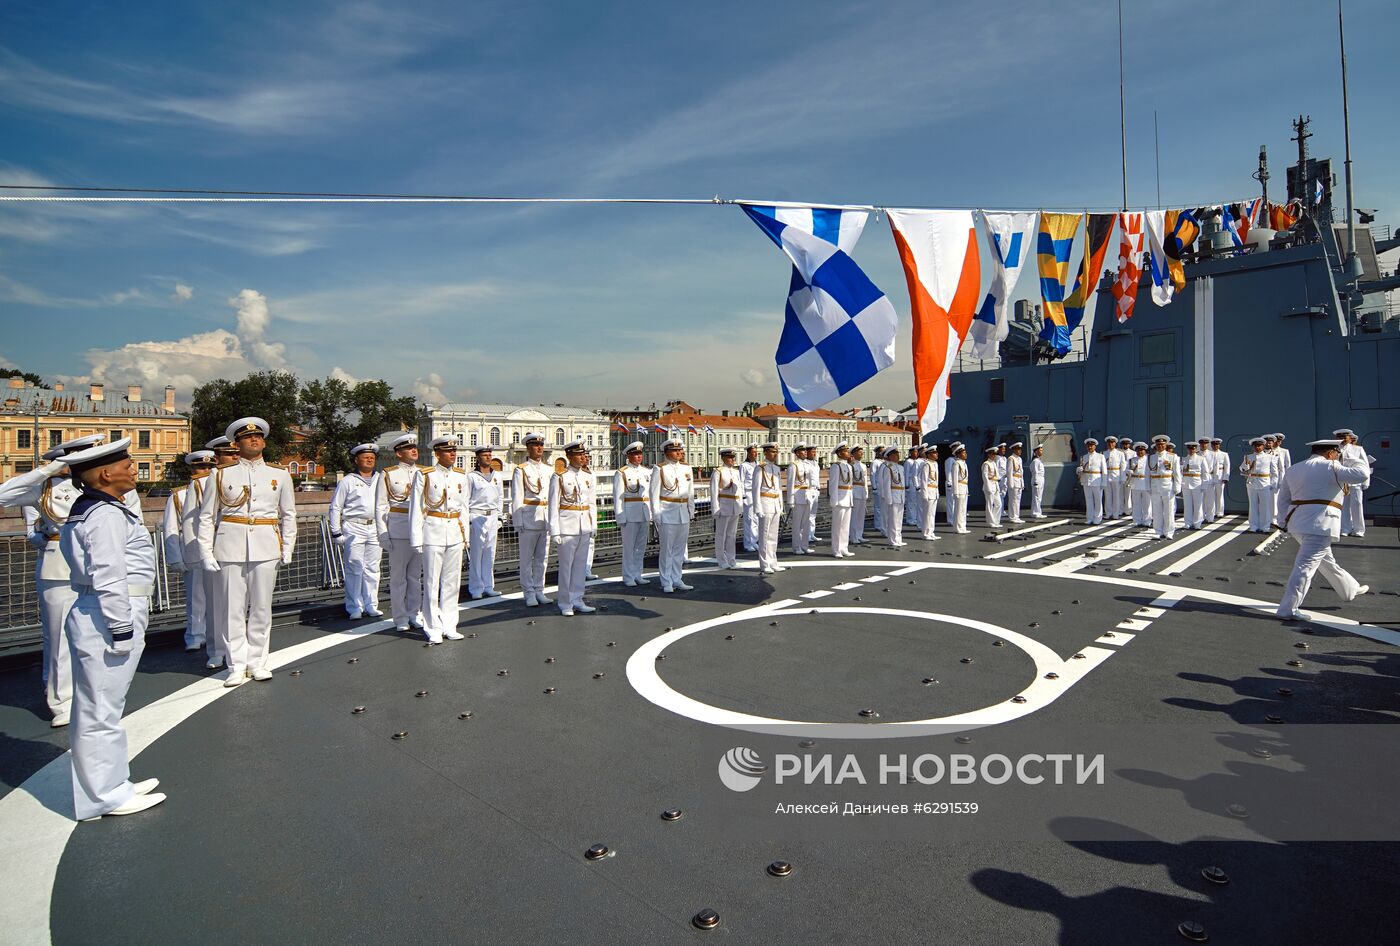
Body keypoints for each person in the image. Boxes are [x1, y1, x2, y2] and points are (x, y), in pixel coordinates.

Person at [59, 437, 166, 819]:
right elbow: (108, 575)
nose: (133, 470)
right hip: (107, 615)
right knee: (99, 710)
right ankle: (104, 795)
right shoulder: (103, 515)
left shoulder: (101, 508)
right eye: (128, 465)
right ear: (106, 473)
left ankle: (114, 781)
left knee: (107, 706)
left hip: (106, 611)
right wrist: (121, 628)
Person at [19, 434, 122, 728]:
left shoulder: (105, 486)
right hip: (57, 567)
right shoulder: (43, 490)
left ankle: (92, 691)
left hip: (95, 567)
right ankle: (61, 700)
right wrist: (46, 472)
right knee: (58, 637)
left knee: (95, 632)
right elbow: (29, 529)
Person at [196, 417, 296, 686]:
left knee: (262, 608)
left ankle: (258, 662)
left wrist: (288, 547)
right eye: (247, 437)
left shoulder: (280, 474)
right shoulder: (221, 475)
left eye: (259, 437)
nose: (254, 440)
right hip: (230, 546)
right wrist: (206, 552)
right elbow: (207, 517)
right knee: (232, 610)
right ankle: (236, 664)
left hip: (266, 546)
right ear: (237, 444)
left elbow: (289, 515)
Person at [1273, 438, 1370, 619]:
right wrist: (1350, 458)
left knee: (1327, 561)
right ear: (1331, 452)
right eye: (1337, 453)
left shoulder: (1293, 469)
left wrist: (1282, 522)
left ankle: (1350, 589)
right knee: (1305, 567)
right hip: (1321, 524)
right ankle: (1288, 609)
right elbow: (1362, 474)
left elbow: (1283, 499)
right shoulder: (1331, 466)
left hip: (1298, 523)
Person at [408, 436, 468, 644]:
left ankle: (450, 624)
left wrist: (465, 536)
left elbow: (464, 508)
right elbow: (416, 509)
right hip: (432, 531)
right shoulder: (425, 475)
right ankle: (433, 626)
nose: (452, 454)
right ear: (437, 454)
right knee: (432, 582)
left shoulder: (461, 476)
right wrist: (416, 539)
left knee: (452, 582)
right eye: (447, 451)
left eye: (454, 451)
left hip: (454, 531)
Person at [376, 434, 426, 632]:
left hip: (420, 530)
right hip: (398, 529)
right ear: (399, 453)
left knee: (415, 577)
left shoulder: (424, 472)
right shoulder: (388, 474)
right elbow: (380, 507)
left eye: (415, 448)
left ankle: (415, 613)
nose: (414, 451)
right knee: (398, 578)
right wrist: (383, 534)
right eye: (409, 448)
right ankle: (400, 617)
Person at [197, 437, 239, 669]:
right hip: (215, 546)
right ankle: (216, 650)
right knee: (216, 603)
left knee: (239, 603)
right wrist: (204, 552)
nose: (235, 457)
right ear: (217, 458)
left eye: (236, 453)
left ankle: (238, 650)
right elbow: (198, 519)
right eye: (229, 454)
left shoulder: (246, 476)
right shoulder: (204, 481)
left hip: (238, 546)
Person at [329, 443, 384, 619]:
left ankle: (371, 604)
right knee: (354, 568)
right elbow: (336, 507)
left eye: (372, 457)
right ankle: (354, 606)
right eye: (365, 457)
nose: (369, 459)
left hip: (375, 526)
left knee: (373, 568)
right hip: (354, 527)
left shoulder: (381, 479)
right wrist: (336, 531)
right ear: (356, 460)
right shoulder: (348, 481)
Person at [174, 450, 217, 662]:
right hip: (192, 549)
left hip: (216, 549)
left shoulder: (219, 485)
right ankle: (194, 635)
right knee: (196, 597)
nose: (206, 472)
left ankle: (215, 633)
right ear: (192, 469)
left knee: (219, 595)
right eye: (201, 468)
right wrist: (175, 558)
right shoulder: (180, 494)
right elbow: (172, 529)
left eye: (209, 467)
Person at [548, 440, 597, 615]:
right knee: (566, 567)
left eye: (584, 454)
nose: (583, 457)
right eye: (579, 454)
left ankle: (578, 598)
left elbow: (592, 503)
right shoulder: (559, 476)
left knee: (580, 566)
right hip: (567, 527)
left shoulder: (588, 477)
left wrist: (593, 525)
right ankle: (565, 602)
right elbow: (553, 505)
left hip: (584, 526)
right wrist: (554, 530)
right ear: (569, 456)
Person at [511, 432, 554, 607]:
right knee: (526, 559)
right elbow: (517, 496)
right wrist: (518, 521)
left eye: (541, 445)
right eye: (535, 445)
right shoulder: (521, 470)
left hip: (545, 518)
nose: (539, 448)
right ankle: (528, 592)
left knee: (542, 558)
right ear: (528, 448)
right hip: (529, 517)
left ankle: (539, 589)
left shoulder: (549, 470)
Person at [649, 438, 695, 592]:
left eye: (679, 450)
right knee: (667, 550)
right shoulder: (660, 469)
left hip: (683, 512)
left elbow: (690, 492)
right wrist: (656, 514)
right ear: (667, 452)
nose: (679, 453)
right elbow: (654, 494)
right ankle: (666, 581)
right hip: (667, 512)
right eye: (675, 451)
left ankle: (677, 578)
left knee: (679, 550)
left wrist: (691, 511)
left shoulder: (686, 468)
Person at [465, 445, 504, 599]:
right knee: (476, 554)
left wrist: (500, 516)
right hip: (477, 515)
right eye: (485, 455)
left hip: (493, 516)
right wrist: (468, 518)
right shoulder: (471, 477)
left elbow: (500, 497)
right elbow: (466, 498)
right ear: (478, 458)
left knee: (490, 553)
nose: (488, 457)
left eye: (490, 455)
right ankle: (476, 588)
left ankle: (488, 586)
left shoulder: (497, 476)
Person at [613, 441, 652, 586]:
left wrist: (652, 512)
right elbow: (618, 496)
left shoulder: (647, 472)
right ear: (629, 455)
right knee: (629, 547)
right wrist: (620, 516)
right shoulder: (622, 473)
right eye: (635, 454)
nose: (638, 456)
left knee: (641, 546)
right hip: (629, 513)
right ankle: (628, 576)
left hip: (644, 512)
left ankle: (638, 574)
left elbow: (651, 494)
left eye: (640, 454)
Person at [750, 442, 786, 574]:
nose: (775, 454)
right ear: (765, 453)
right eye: (772, 452)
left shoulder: (776, 469)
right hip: (765, 503)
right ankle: (764, 563)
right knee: (764, 536)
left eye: (776, 452)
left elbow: (779, 489)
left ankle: (773, 561)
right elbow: (756, 489)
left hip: (775, 504)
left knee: (773, 536)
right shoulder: (760, 468)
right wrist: (757, 508)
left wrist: (781, 505)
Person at [1334, 428, 1371, 537]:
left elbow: (1365, 466)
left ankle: (1359, 529)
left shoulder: (1358, 449)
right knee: (1343, 506)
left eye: (1345, 437)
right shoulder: (1334, 449)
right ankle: (1345, 528)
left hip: (1355, 482)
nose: (1342, 439)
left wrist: (1366, 481)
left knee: (1357, 505)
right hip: (1341, 482)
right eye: (1340, 437)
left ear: (1350, 438)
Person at [711, 447, 744, 567]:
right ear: (723, 458)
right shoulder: (718, 472)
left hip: (735, 506)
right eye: (730, 457)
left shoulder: (736, 472)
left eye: (733, 457)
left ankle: (731, 559)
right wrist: (715, 508)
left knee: (732, 535)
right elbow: (714, 491)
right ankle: (721, 560)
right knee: (721, 535)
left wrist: (740, 507)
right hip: (723, 506)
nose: (732, 459)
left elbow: (740, 490)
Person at [1240, 436, 1275, 532]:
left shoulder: (1270, 457)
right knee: (1253, 505)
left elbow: (1274, 473)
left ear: (1263, 446)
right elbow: (1242, 469)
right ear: (1253, 447)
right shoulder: (1248, 457)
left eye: (1259, 445)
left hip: (1265, 482)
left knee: (1265, 505)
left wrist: (1273, 484)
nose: (1257, 447)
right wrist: (1245, 467)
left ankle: (1265, 526)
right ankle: (1253, 526)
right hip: (1252, 482)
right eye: (1255, 446)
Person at [1147, 435, 1178, 539]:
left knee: (1169, 510)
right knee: (1156, 510)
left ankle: (1169, 531)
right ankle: (1158, 531)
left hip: (1167, 486)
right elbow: (1147, 474)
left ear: (1166, 445)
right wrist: (1148, 486)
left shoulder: (1172, 456)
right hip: (1155, 486)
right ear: (1155, 445)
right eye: (1158, 444)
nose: (1160, 446)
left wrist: (1177, 486)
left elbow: (1177, 473)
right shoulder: (1151, 457)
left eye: (1162, 444)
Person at [786, 444, 815, 554]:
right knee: (797, 524)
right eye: (802, 451)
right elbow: (790, 483)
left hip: (807, 496)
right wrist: (790, 500)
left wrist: (811, 494)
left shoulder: (807, 465)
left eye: (805, 450)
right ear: (797, 453)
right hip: (798, 497)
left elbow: (810, 482)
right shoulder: (793, 465)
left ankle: (805, 545)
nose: (805, 452)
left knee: (806, 523)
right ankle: (796, 547)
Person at [827, 443, 855, 557]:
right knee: (838, 526)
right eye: (845, 451)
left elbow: (850, 484)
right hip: (839, 498)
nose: (848, 452)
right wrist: (834, 500)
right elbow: (833, 485)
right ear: (839, 453)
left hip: (847, 498)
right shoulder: (836, 466)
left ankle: (844, 547)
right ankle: (836, 549)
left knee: (845, 526)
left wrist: (851, 499)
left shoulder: (848, 466)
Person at [878, 446, 906, 545]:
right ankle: (893, 539)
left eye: (898, 454)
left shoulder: (901, 468)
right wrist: (888, 499)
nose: (897, 456)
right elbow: (886, 485)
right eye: (895, 455)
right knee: (893, 519)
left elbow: (902, 484)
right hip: (893, 495)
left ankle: (898, 538)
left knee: (899, 519)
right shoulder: (887, 468)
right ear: (889, 456)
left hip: (900, 496)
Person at [1077, 438, 1106, 525]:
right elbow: (1081, 469)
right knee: (1088, 499)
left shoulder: (1100, 456)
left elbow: (1104, 471)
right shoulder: (1084, 457)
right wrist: (1078, 470)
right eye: (1088, 446)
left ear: (1095, 446)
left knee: (1098, 500)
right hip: (1086, 480)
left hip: (1097, 480)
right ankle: (1089, 518)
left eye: (1092, 445)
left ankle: (1097, 518)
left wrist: (1104, 482)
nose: (1090, 447)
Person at [1180, 441, 1206, 529]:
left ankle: (1197, 523)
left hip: (1197, 483)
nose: (1191, 450)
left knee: (1198, 504)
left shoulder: (1201, 459)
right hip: (1186, 483)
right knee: (1187, 504)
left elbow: (1205, 473)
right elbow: (1180, 472)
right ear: (1187, 449)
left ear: (1196, 449)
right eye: (1189, 448)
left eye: (1193, 448)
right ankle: (1188, 522)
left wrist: (1204, 485)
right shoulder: (1184, 459)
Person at [917, 444, 940, 539]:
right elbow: (924, 480)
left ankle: (931, 532)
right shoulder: (926, 465)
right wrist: (924, 494)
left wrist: (937, 492)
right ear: (929, 454)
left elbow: (936, 480)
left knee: (932, 514)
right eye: (934, 453)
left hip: (934, 491)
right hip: (929, 491)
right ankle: (926, 533)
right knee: (927, 514)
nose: (937, 454)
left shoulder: (935, 464)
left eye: (936, 452)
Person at [739, 444, 760, 552]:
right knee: (749, 520)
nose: (756, 454)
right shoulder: (744, 466)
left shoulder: (758, 464)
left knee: (756, 519)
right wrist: (742, 497)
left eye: (756, 452)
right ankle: (748, 543)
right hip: (748, 494)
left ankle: (754, 541)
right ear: (748, 453)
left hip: (756, 494)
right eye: (753, 452)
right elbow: (741, 481)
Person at [1127, 442, 1152, 527]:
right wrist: (1127, 472)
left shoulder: (1149, 459)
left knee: (1147, 503)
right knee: (1136, 503)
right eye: (1138, 450)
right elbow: (1126, 470)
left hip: (1146, 482)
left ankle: (1147, 520)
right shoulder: (1132, 460)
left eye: (1142, 450)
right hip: (1135, 483)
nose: (1140, 452)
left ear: (1145, 451)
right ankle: (1136, 520)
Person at [849, 445, 869, 545]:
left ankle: (859, 535)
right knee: (854, 515)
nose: (862, 453)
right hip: (855, 490)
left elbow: (865, 480)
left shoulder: (864, 466)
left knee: (861, 515)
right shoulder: (851, 465)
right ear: (854, 453)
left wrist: (866, 492)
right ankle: (853, 536)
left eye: (862, 452)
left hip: (862, 491)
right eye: (859, 452)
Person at [1102, 436, 1125, 520]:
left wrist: (1122, 478)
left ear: (1115, 443)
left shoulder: (1120, 453)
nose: (1110, 444)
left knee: (1116, 496)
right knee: (1107, 495)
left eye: (1112, 443)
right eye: (1109, 443)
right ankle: (1108, 513)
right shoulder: (1103, 454)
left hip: (1116, 476)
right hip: (1106, 475)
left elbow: (1123, 466)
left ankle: (1116, 513)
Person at [949, 445, 970, 532]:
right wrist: (956, 492)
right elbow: (955, 479)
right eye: (963, 453)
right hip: (959, 489)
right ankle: (957, 527)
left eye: (965, 452)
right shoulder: (956, 464)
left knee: (963, 509)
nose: (965, 454)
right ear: (958, 454)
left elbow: (966, 479)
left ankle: (963, 526)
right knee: (958, 509)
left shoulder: (964, 464)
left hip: (964, 488)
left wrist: (967, 490)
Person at [981, 447, 1002, 529]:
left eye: (995, 454)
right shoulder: (986, 464)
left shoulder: (994, 463)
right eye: (993, 454)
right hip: (989, 486)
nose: (994, 455)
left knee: (998, 504)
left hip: (995, 486)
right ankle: (990, 522)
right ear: (989, 454)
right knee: (990, 505)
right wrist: (988, 487)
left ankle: (995, 521)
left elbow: (996, 475)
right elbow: (985, 477)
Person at [1005, 443, 1025, 524]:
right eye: (1018, 449)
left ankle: (1017, 516)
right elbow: (1009, 472)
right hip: (1014, 481)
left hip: (1019, 481)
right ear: (1014, 450)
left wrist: (1022, 483)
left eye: (1020, 449)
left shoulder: (1019, 459)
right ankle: (1012, 517)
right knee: (1013, 500)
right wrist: (1010, 484)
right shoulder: (1011, 459)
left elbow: (1021, 472)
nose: (1020, 451)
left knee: (1018, 500)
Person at [1210, 438, 1229, 520]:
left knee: (1220, 494)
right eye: (1214, 445)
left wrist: (1225, 477)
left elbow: (1227, 466)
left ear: (1219, 445)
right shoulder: (1209, 454)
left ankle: (1220, 512)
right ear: (1211, 445)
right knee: (1210, 495)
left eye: (1217, 444)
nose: (1215, 446)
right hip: (1210, 475)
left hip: (1220, 475)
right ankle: (1211, 512)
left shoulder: (1224, 454)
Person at [870, 445, 886, 537]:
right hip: (878, 486)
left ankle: (883, 524)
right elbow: (873, 474)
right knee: (878, 507)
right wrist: (874, 487)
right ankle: (878, 524)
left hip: (884, 487)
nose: (883, 453)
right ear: (877, 452)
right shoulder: (875, 462)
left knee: (884, 506)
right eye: (881, 451)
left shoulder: (883, 462)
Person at [1028, 444, 1046, 519]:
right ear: (1036, 451)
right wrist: (1035, 481)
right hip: (1037, 479)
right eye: (1040, 450)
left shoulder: (1038, 460)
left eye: (1042, 450)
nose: (1042, 451)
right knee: (1036, 497)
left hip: (1041, 479)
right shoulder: (1035, 461)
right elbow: (1035, 472)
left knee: (1039, 497)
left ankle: (1038, 512)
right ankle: (1035, 512)